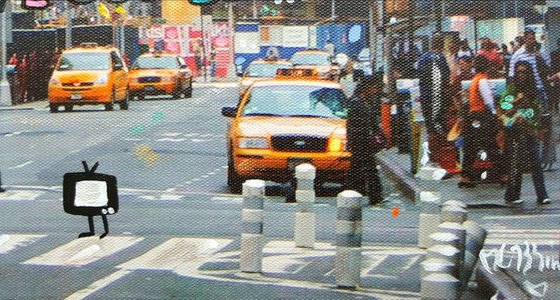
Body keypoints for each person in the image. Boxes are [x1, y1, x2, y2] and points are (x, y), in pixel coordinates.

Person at [498, 61, 551, 205]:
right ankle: (512, 194)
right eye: (519, 72)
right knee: (516, 163)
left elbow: (537, 110)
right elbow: (504, 108)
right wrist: (517, 102)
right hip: (515, 130)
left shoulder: (534, 90)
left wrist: (527, 105)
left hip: (530, 130)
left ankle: (542, 195)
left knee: (536, 164)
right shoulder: (511, 89)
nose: (521, 75)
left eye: (524, 72)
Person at [459, 55, 500, 187]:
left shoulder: (474, 79)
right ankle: (503, 173)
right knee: (490, 145)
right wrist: (494, 113)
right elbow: (488, 98)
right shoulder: (482, 80)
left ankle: (466, 176)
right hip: (482, 116)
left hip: (473, 116)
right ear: (486, 66)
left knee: (471, 147)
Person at [417, 33, 456, 175]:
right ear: (441, 44)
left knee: (431, 127)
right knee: (437, 128)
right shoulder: (440, 59)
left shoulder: (423, 58)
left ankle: (433, 160)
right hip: (437, 98)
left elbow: (420, 77)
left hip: (426, 98)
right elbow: (446, 79)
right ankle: (435, 162)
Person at [346, 73, 385, 205]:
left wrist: (379, 135)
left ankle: (359, 193)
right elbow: (353, 126)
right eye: (373, 88)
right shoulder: (356, 103)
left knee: (360, 170)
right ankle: (372, 196)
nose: (375, 91)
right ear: (367, 88)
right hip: (360, 142)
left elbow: (372, 122)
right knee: (368, 170)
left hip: (363, 142)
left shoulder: (364, 102)